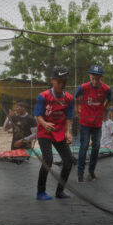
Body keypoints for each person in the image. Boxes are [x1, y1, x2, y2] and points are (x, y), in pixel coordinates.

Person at [34, 66, 74, 200]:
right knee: (48, 160)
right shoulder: (43, 96)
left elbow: (68, 117)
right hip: (44, 132)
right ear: (52, 80)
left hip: (59, 132)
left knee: (68, 160)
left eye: (64, 82)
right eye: (59, 82)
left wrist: (68, 132)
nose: (62, 85)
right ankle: (40, 192)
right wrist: (45, 124)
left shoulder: (69, 98)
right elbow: (38, 116)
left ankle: (60, 191)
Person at [75, 65, 111, 182]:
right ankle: (80, 173)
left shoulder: (106, 89)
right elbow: (76, 97)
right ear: (90, 76)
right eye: (93, 77)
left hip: (97, 123)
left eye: (97, 78)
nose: (95, 80)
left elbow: (108, 99)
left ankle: (91, 171)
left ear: (101, 77)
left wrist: (102, 108)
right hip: (85, 122)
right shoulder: (83, 87)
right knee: (84, 146)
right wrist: (77, 109)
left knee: (96, 147)